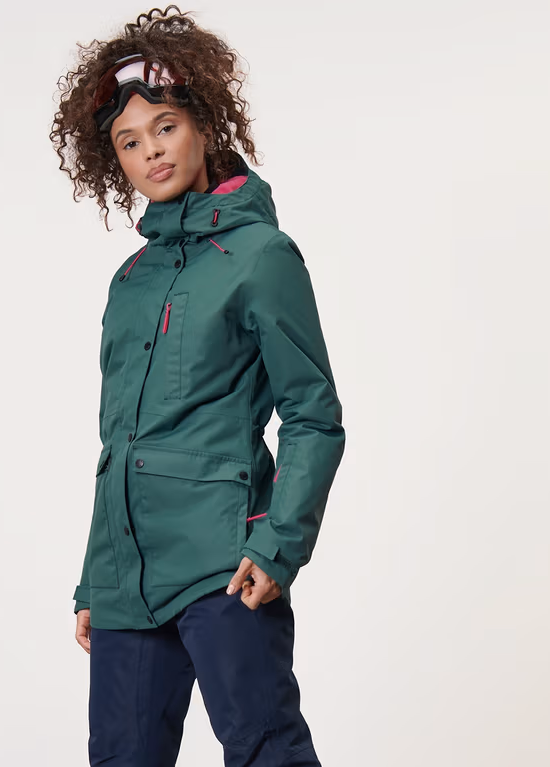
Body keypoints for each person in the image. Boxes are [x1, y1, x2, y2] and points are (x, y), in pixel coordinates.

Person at [49, 6, 346, 766]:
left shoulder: (261, 256)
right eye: (129, 141)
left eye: (165, 127)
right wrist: (94, 579)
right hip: (127, 579)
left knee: (265, 750)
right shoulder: (130, 281)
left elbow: (313, 414)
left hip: (225, 566)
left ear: (203, 123)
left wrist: (278, 545)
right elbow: (118, 445)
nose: (150, 150)